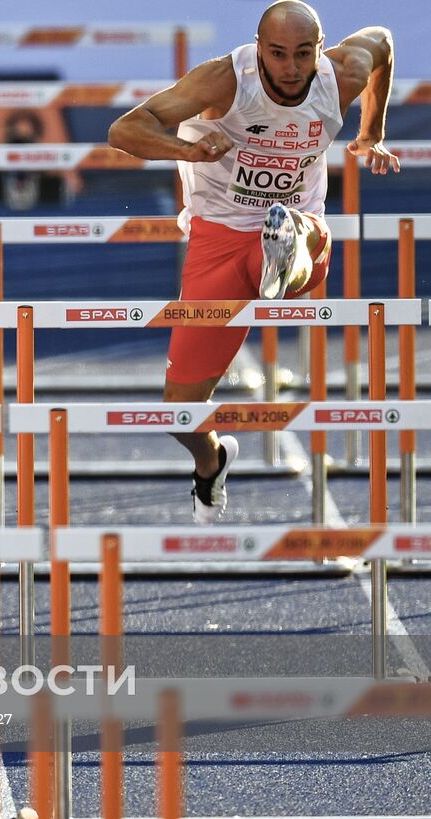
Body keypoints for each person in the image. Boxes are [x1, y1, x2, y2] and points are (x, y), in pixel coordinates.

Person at [107, 1, 397, 523]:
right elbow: (124, 131)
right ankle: (211, 461)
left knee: (296, 232)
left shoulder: (342, 74)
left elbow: (382, 42)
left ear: (319, 50)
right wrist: (187, 149)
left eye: (302, 55)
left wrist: (372, 131)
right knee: (180, 410)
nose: (290, 68)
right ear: (259, 49)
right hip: (219, 234)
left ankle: (285, 255)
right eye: (278, 54)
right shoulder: (223, 81)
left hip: (302, 224)